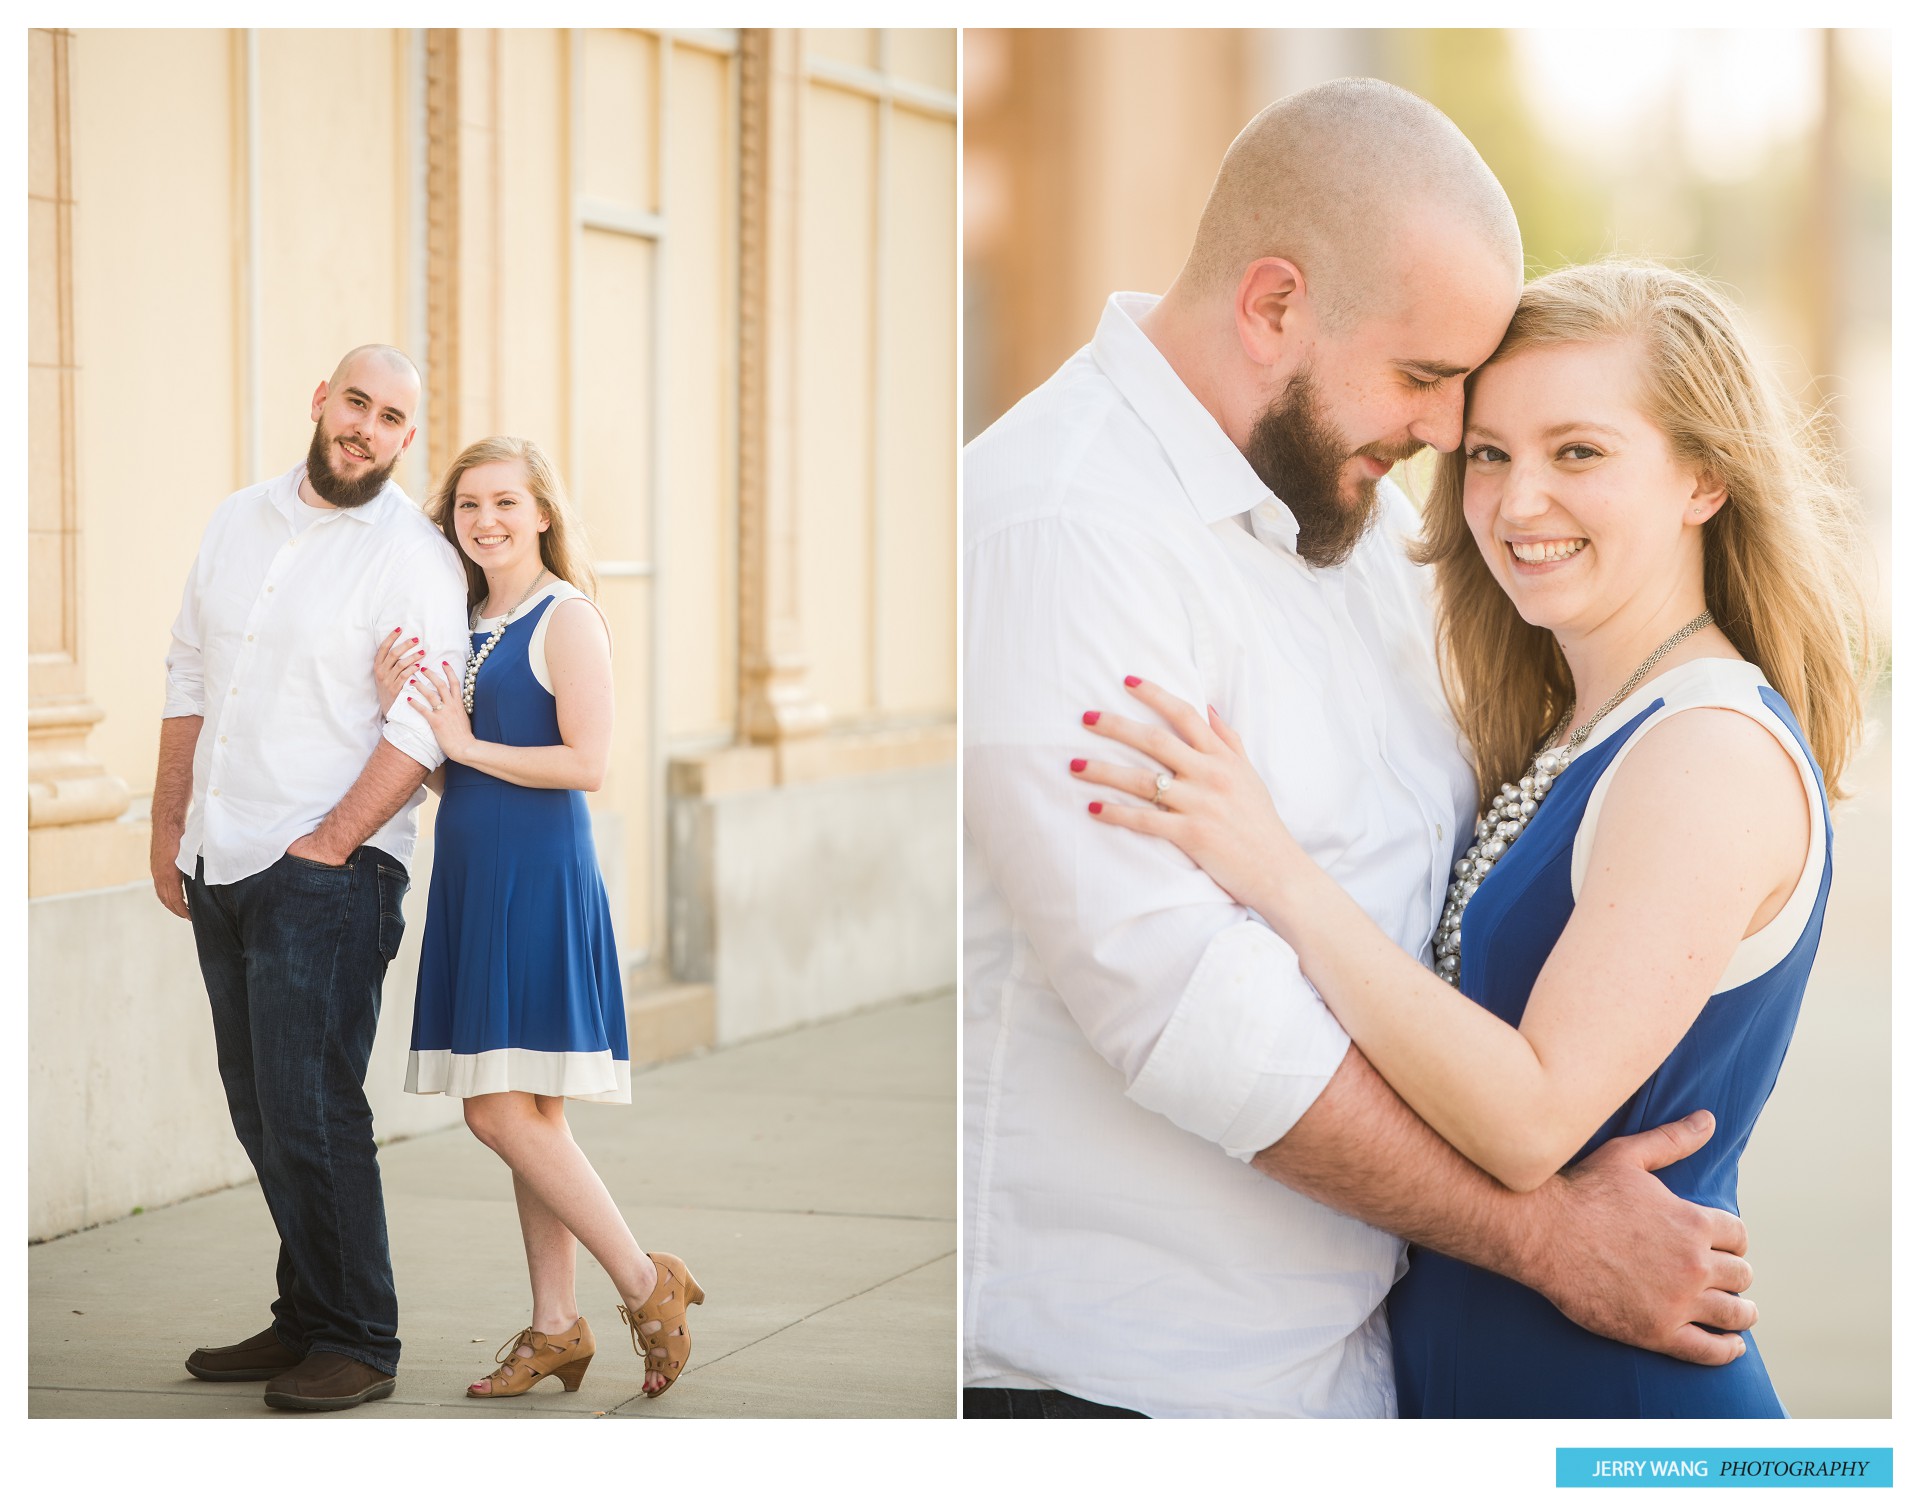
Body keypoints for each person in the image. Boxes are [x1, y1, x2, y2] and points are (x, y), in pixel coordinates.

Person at [964, 80, 1758, 1419]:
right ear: (1274, 306)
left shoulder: (1351, 519)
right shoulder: (1065, 526)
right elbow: (1190, 1013)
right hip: (1125, 1389)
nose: (1449, 438)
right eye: (1425, 378)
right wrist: (1548, 1239)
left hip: (1342, 1374)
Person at [1073, 262, 1869, 1416]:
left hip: (1615, 1409)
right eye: (1488, 453)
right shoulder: (1581, 724)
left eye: (1579, 452)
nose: (1517, 500)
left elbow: (1531, 1116)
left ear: (1703, 475)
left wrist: (1276, 871)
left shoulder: (1707, 755)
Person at [153, 345, 470, 1412]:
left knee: (312, 1105)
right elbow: (190, 666)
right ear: (321, 402)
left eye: (391, 418)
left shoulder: (412, 557)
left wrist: (330, 844)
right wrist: (169, 821)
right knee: (259, 1107)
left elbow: (422, 720)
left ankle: (357, 1337)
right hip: (222, 851)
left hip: (325, 872)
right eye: (355, 404)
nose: (367, 428)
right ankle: (305, 1316)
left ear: (406, 439)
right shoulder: (238, 517)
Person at [376, 436, 703, 1400]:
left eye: (506, 503)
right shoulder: (466, 620)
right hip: (474, 871)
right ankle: (556, 1325)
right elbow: (451, 773)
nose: (486, 521)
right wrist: (403, 709)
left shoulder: (568, 620)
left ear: (543, 514)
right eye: (469, 505)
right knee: (533, 1112)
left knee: (495, 1111)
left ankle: (648, 1285)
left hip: (538, 876)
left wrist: (464, 742)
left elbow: (586, 763)